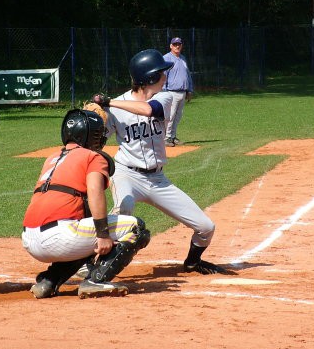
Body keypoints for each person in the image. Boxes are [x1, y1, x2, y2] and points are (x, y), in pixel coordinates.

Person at [92, 49, 228, 275]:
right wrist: (95, 121)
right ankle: (94, 263)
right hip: (127, 174)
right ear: (150, 78)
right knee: (122, 210)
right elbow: (97, 144)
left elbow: (147, 110)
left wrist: (109, 102)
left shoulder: (162, 98)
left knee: (205, 227)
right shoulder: (114, 109)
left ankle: (193, 262)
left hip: (158, 179)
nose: (166, 77)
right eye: (161, 73)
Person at [22, 108, 150, 299]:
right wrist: (103, 234)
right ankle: (95, 281)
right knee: (137, 228)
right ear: (91, 136)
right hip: (60, 237)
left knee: (85, 231)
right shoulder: (93, 156)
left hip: (29, 239)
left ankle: (49, 280)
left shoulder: (52, 157)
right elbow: (95, 191)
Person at [162, 37, 193, 147]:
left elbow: (187, 75)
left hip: (182, 92)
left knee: (178, 116)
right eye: (175, 44)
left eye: (179, 44)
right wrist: (164, 92)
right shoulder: (166, 58)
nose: (177, 46)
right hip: (171, 92)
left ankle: (173, 136)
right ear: (171, 46)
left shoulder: (183, 58)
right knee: (170, 116)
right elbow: (163, 76)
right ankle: (166, 138)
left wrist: (189, 90)